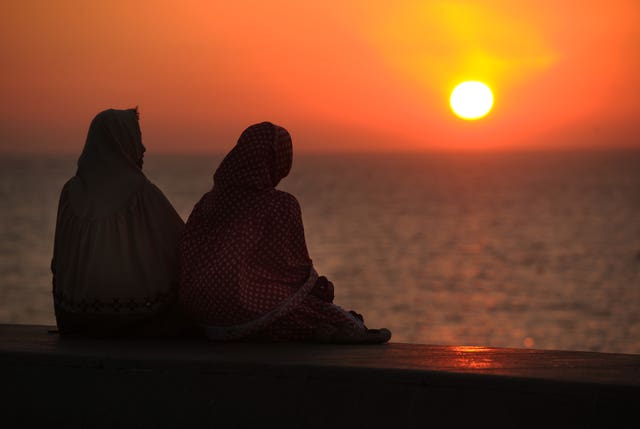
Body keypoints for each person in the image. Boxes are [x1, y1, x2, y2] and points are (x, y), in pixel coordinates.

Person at [179, 122, 391, 343]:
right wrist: (318, 288)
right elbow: (292, 271)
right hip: (245, 313)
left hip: (201, 315)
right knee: (335, 317)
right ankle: (338, 328)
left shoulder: (207, 202)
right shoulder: (281, 204)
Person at [51, 107, 193, 337]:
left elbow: (58, 262)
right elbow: (183, 245)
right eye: (136, 139)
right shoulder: (140, 193)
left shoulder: (69, 192)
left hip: (73, 319)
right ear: (119, 143)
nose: (143, 148)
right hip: (135, 321)